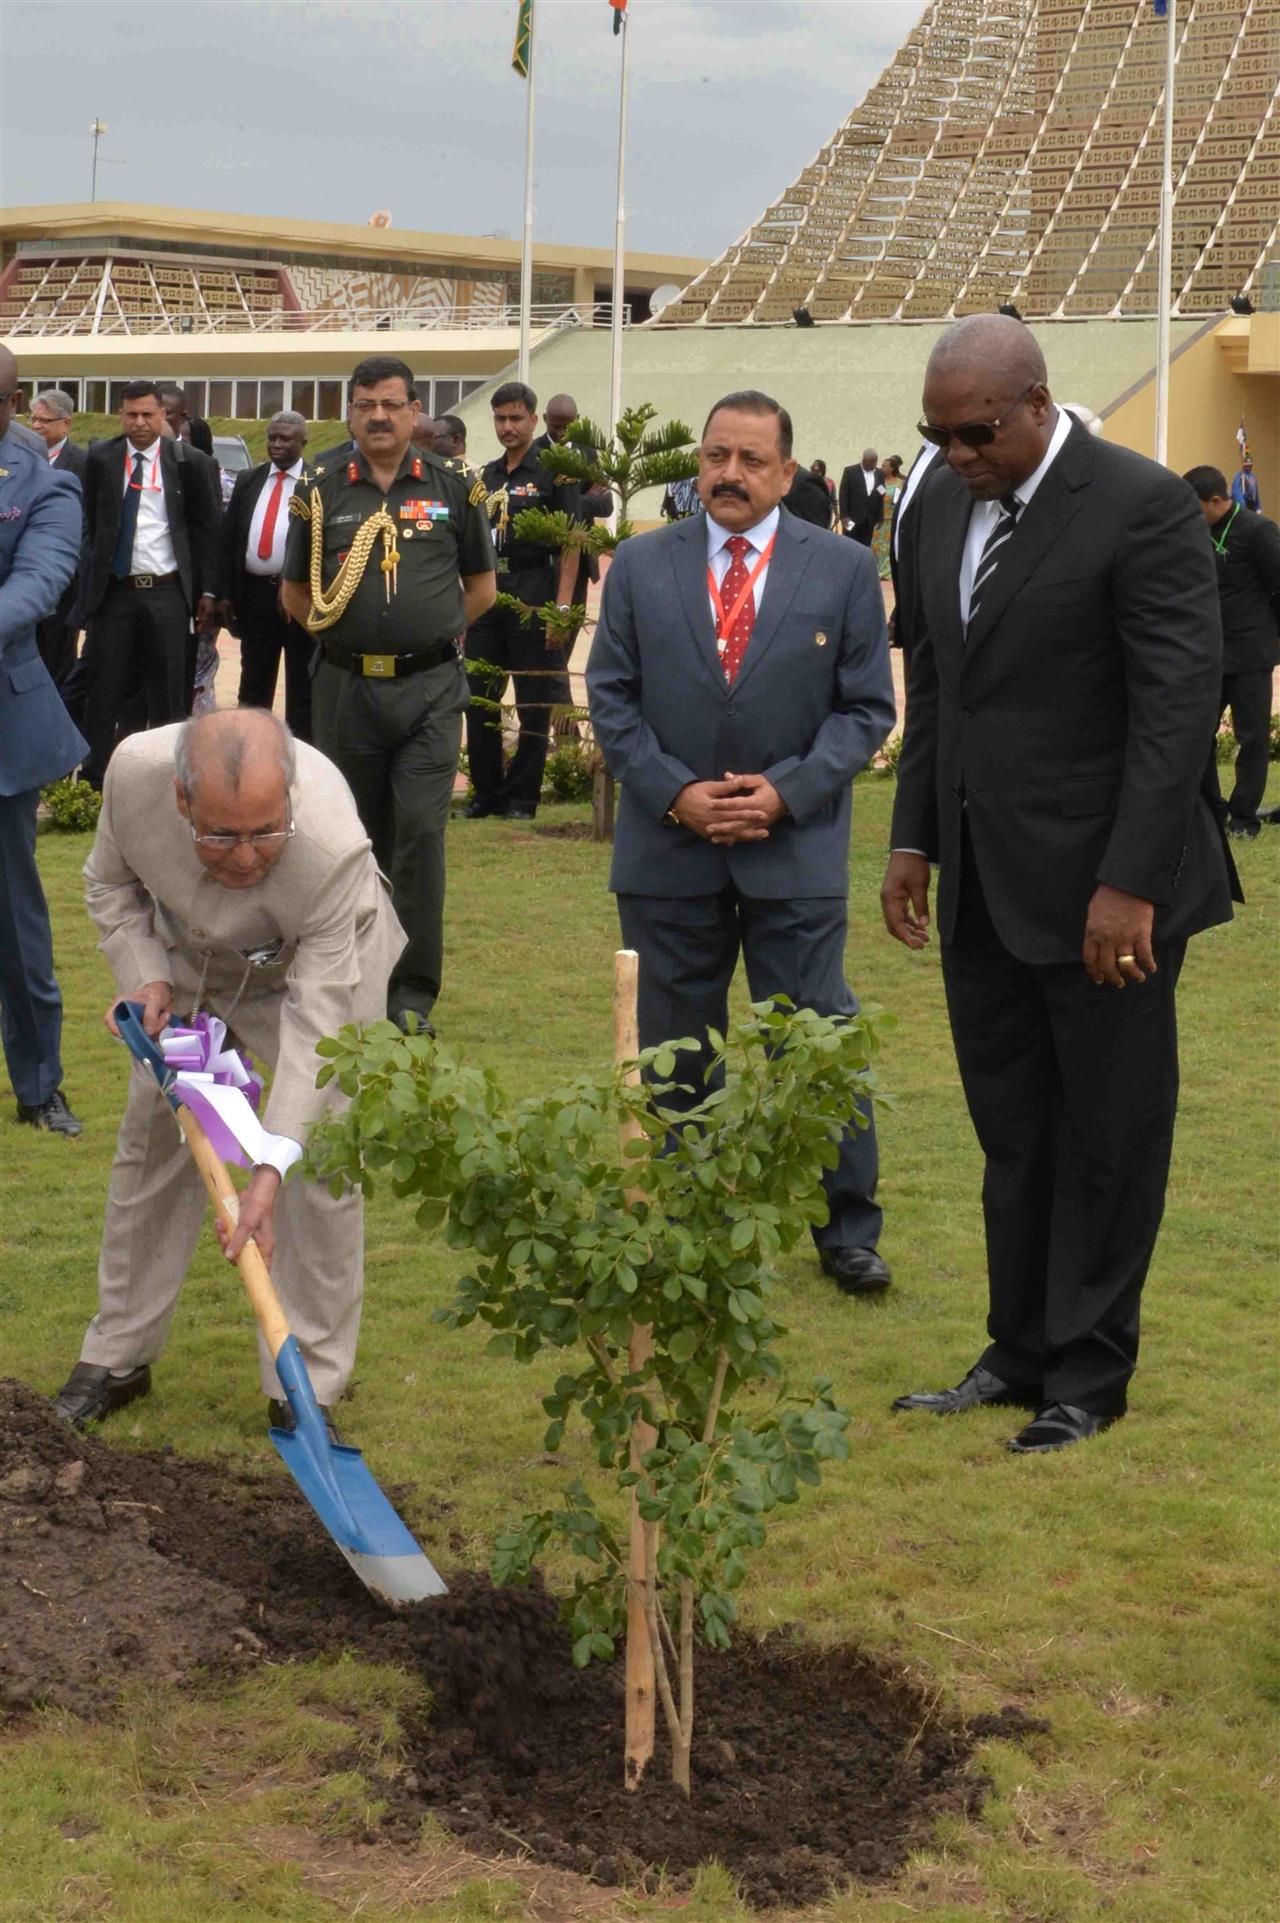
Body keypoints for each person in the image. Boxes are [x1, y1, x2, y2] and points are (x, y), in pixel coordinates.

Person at [882, 315, 1236, 1452]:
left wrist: (1127, 882)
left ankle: (1088, 1372)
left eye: (975, 430)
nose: (956, 452)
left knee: (1106, 1132)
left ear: (1036, 403)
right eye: (934, 433)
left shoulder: (1137, 507)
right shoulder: (936, 501)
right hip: (983, 878)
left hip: (1105, 893)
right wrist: (910, 842)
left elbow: (1177, 709)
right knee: (1012, 1131)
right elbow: (937, 688)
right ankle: (1017, 1348)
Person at [587, 389, 897, 1296]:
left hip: (791, 850)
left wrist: (786, 793)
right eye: (717, 454)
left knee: (817, 1038)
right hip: (667, 851)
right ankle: (685, 1211)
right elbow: (611, 697)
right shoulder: (641, 565)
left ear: (787, 472)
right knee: (678, 1043)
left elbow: (868, 708)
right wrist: (678, 794)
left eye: (751, 459)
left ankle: (847, 1229)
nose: (729, 472)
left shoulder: (841, 570)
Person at [52, 709, 406, 1432]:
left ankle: (303, 1383)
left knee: (325, 1149)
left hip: (313, 974)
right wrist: (145, 973)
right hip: (194, 970)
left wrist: (268, 1169)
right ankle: (119, 1354)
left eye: (264, 832)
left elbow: (318, 1031)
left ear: (292, 798)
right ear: (182, 801)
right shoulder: (132, 777)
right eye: (221, 833)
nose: (245, 858)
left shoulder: (332, 847)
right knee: (159, 1136)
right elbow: (110, 889)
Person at [281, 353, 496, 1034]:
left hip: (430, 691)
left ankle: (408, 997)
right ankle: (350, 982)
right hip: (345, 688)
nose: (378, 416)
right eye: (365, 403)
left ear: (414, 412)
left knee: (420, 839)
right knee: (350, 842)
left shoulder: (455, 484)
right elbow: (294, 592)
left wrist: (424, 635)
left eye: (392, 404)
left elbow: (482, 588)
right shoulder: (318, 486)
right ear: (349, 411)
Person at [0, 345, 88, 1137]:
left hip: (2, 729)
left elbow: (38, 583)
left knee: (14, 923)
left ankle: (39, 1086)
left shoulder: (45, 487)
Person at [78, 380, 222, 787]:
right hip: (116, 592)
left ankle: (166, 780)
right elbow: (92, 521)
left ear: (163, 416)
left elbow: (208, 532)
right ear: (120, 416)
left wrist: (208, 591)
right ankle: (95, 783)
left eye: (148, 414)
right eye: (131, 414)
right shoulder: (101, 458)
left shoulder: (190, 462)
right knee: (104, 689)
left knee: (168, 694)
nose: (139, 422)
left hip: (167, 592)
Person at [463, 382, 580, 820]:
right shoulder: (488, 476)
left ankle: (522, 798)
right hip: (490, 595)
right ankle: (486, 794)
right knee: (480, 698)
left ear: (534, 420)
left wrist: (562, 608)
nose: (507, 427)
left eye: (515, 418)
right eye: (499, 419)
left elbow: (572, 540)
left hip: (536, 591)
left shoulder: (554, 471)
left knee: (533, 698)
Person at [1184, 465, 1280, 840]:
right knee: (1198, 732)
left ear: (1218, 501)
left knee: (1252, 736)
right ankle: (1211, 810)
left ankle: (1244, 817)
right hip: (1208, 652)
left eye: (1198, 506)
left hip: (1251, 653)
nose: (1192, 514)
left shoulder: (1258, 531)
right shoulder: (1194, 531)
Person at [218, 410, 315, 740]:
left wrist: (296, 584)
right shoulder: (250, 479)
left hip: (299, 598)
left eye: (285, 439)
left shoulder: (317, 482)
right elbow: (230, 537)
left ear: (303, 442)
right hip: (255, 596)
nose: (277, 444)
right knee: (254, 680)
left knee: (303, 682)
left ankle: (301, 754)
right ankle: (251, 750)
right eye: (272, 437)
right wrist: (226, 593)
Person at [28, 388, 88, 688]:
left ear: (66, 424)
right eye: (33, 419)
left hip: (64, 581)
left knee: (58, 657)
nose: (36, 426)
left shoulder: (84, 463)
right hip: (24, 575)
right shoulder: (21, 457)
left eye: (44, 420)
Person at [838, 448, 886, 547]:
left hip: (869, 520)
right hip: (851, 518)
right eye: (871, 462)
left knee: (865, 547)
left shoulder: (880, 474)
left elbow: (881, 496)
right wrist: (844, 516)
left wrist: (880, 517)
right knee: (849, 545)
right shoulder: (850, 471)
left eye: (875, 462)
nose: (874, 465)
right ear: (864, 461)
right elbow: (843, 494)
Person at [157, 383, 215, 458]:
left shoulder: (196, 461)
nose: (158, 418)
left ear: (182, 416)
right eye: (152, 413)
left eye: (166, 413)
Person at [872, 455, 903, 580]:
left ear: (891, 469)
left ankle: (886, 572)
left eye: (884, 466)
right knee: (875, 545)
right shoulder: (879, 482)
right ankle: (876, 570)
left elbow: (899, 502)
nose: (881, 468)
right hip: (878, 519)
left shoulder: (899, 483)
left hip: (891, 520)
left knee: (887, 547)